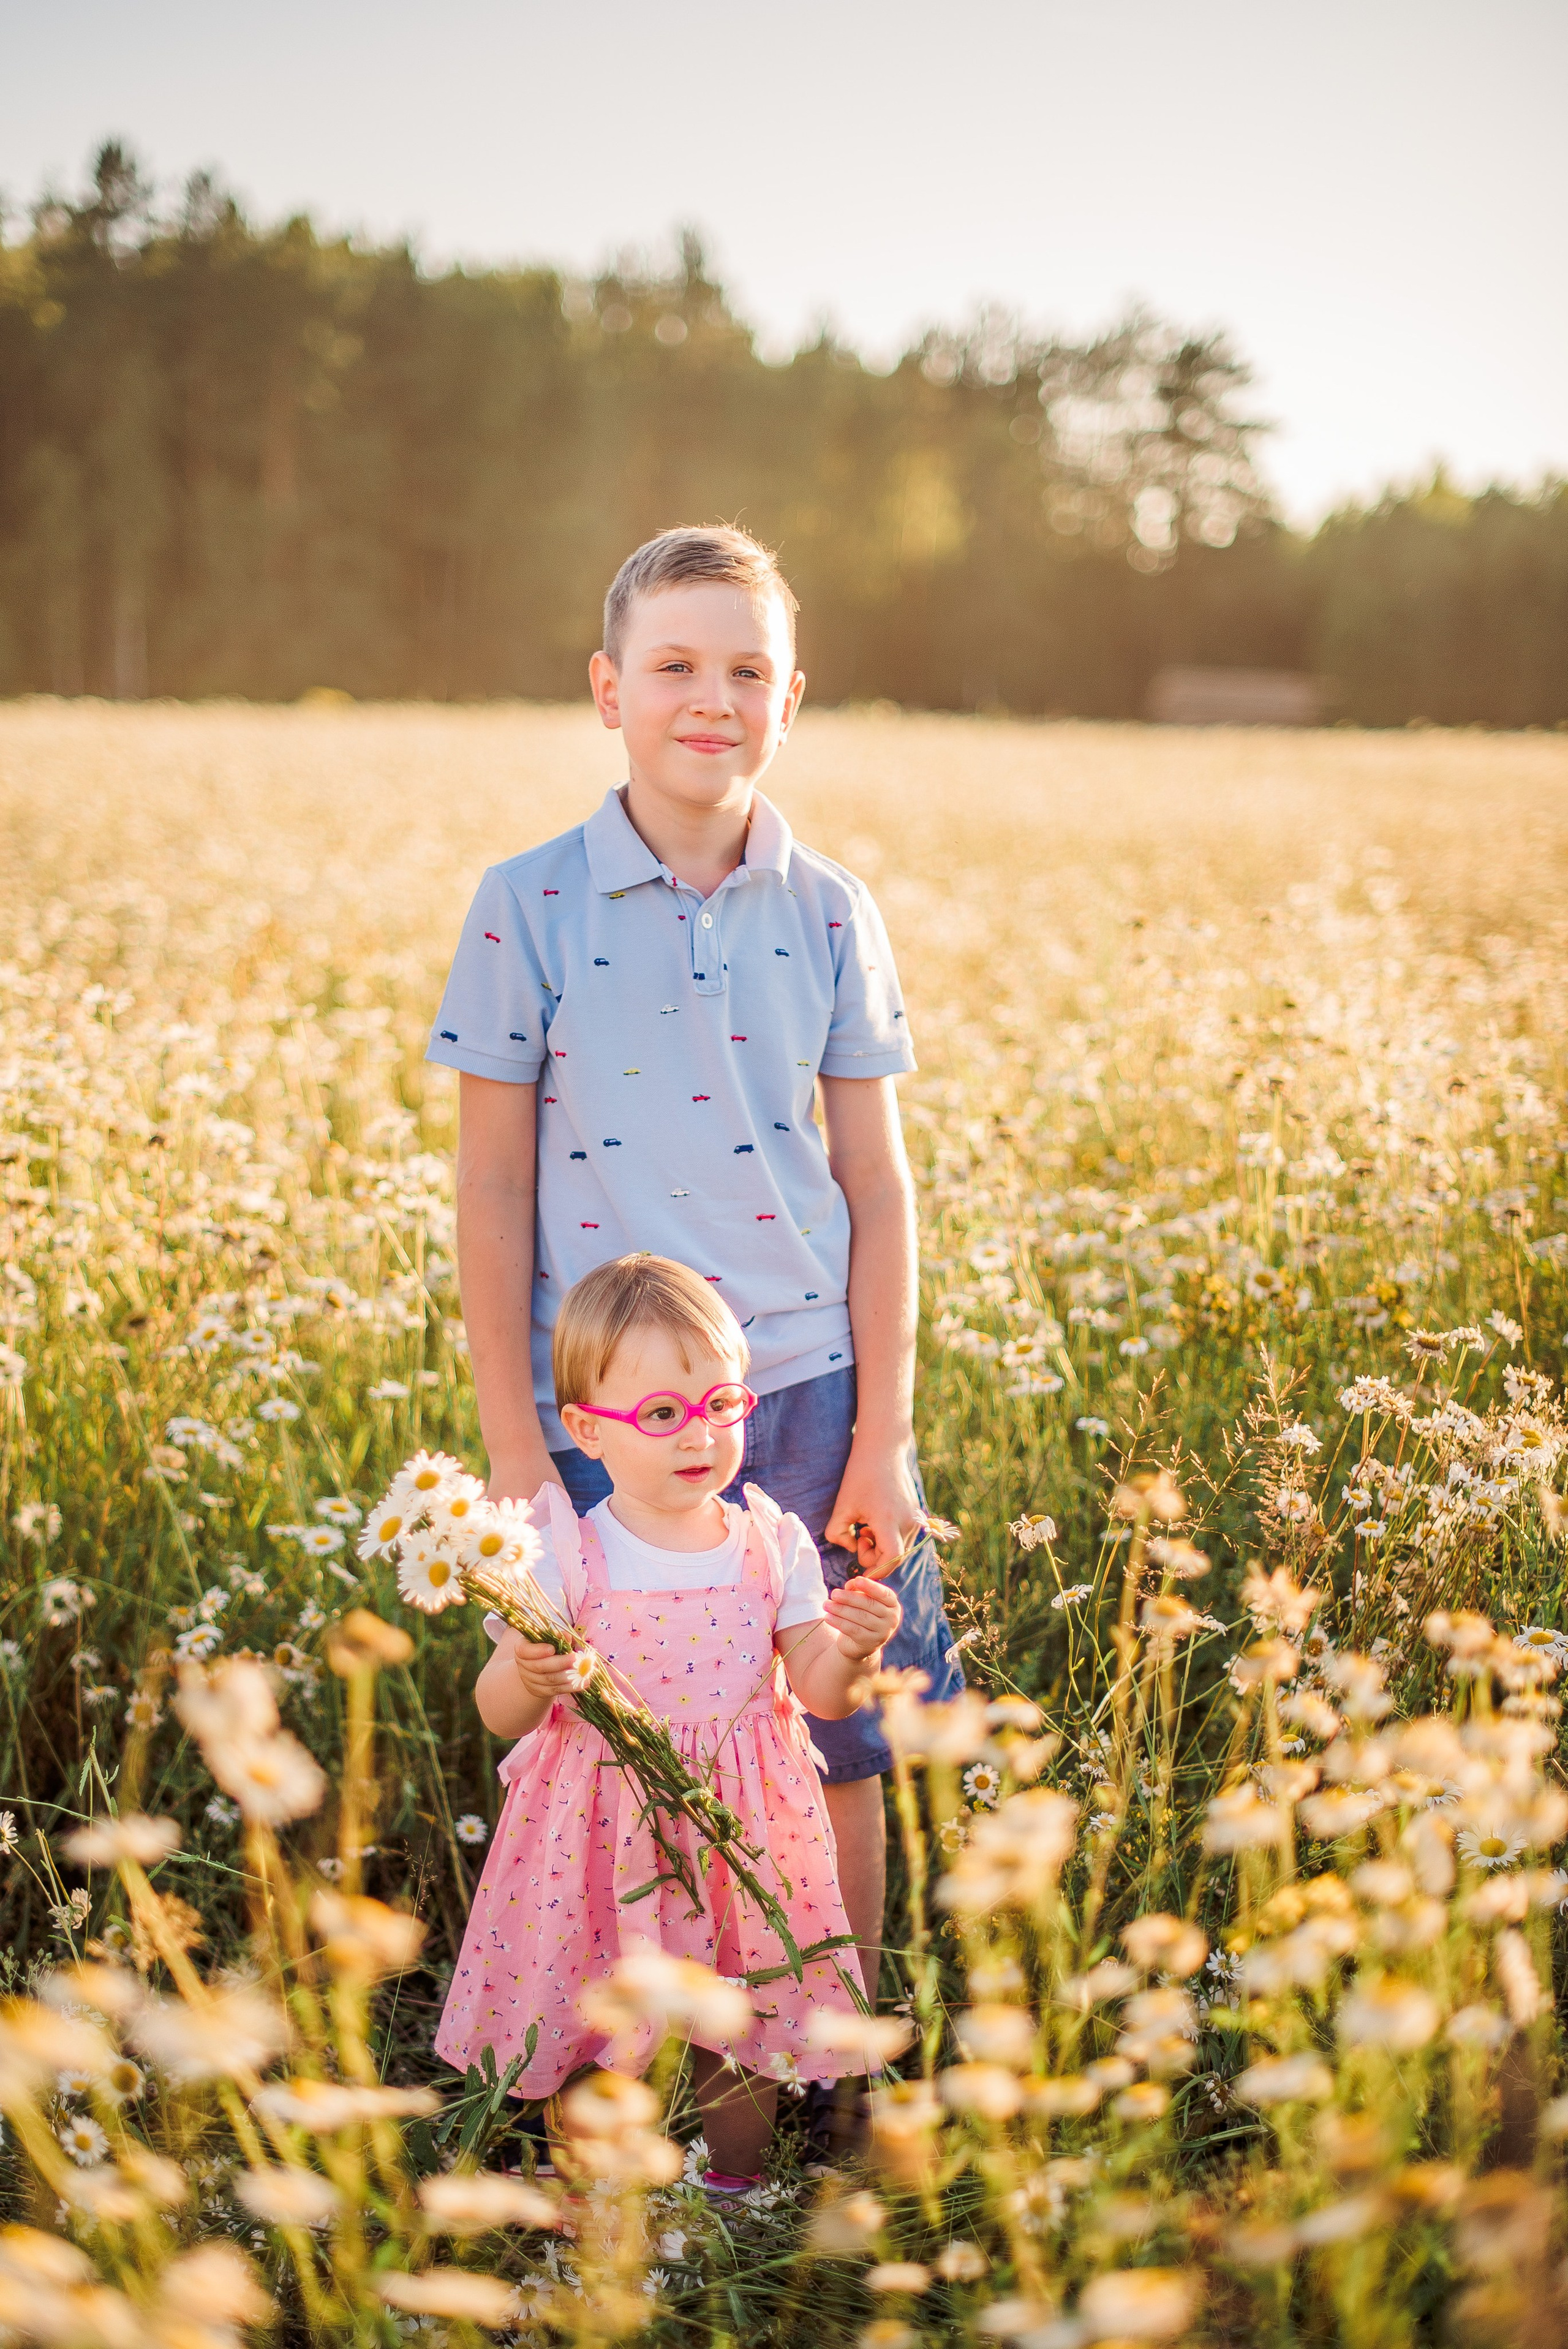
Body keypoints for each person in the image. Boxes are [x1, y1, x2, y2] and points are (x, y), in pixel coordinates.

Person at [426, 523, 962, 2003]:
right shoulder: (523, 900)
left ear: (791, 699)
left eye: (746, 670)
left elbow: (873, 1179)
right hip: (600, 1411)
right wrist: (512, 1439)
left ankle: (831, 2046)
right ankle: (634, 2056)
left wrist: (882, 1440)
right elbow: (489, 1181)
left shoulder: (831, 906)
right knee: (601, 1750)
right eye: (673, 665)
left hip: (804, 1391)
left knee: (829, 1740)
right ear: (608, 689)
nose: (707, 697)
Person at [436, 1254, 901, 2192]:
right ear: (585, 1431)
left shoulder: (770, 1540)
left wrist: (851, 1650)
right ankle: (598, 2205)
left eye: (720, 1404)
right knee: (595, 2019)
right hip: (601, 1836)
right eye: (660, 1414)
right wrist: (529, 1673)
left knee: (739, 2019)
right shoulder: (567, 1551)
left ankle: (735, 2190)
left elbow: (819, 1693)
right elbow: (496, 1712)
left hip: (744, 1832)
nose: (698, 1435)